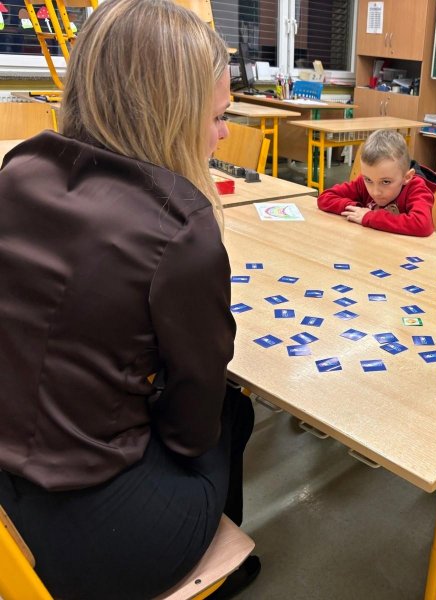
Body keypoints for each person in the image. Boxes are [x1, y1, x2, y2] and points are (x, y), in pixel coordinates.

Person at [0, 1, 260, 598]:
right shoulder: (181, 227)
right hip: (93, 538)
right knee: (233, 410)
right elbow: (192, 425)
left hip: (9, 490)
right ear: (170, 113)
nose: (224, 133)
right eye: (218, 116)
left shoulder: (20, 167)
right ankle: (220, 569)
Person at [317, 128, 436, 236]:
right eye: (368, 180)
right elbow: (325, 197)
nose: (375, 192)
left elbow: (423, 224)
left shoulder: (416, 188)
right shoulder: (364, 181)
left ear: (407, 177)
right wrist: (356, 209)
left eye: (385, 182)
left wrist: (369, 216)